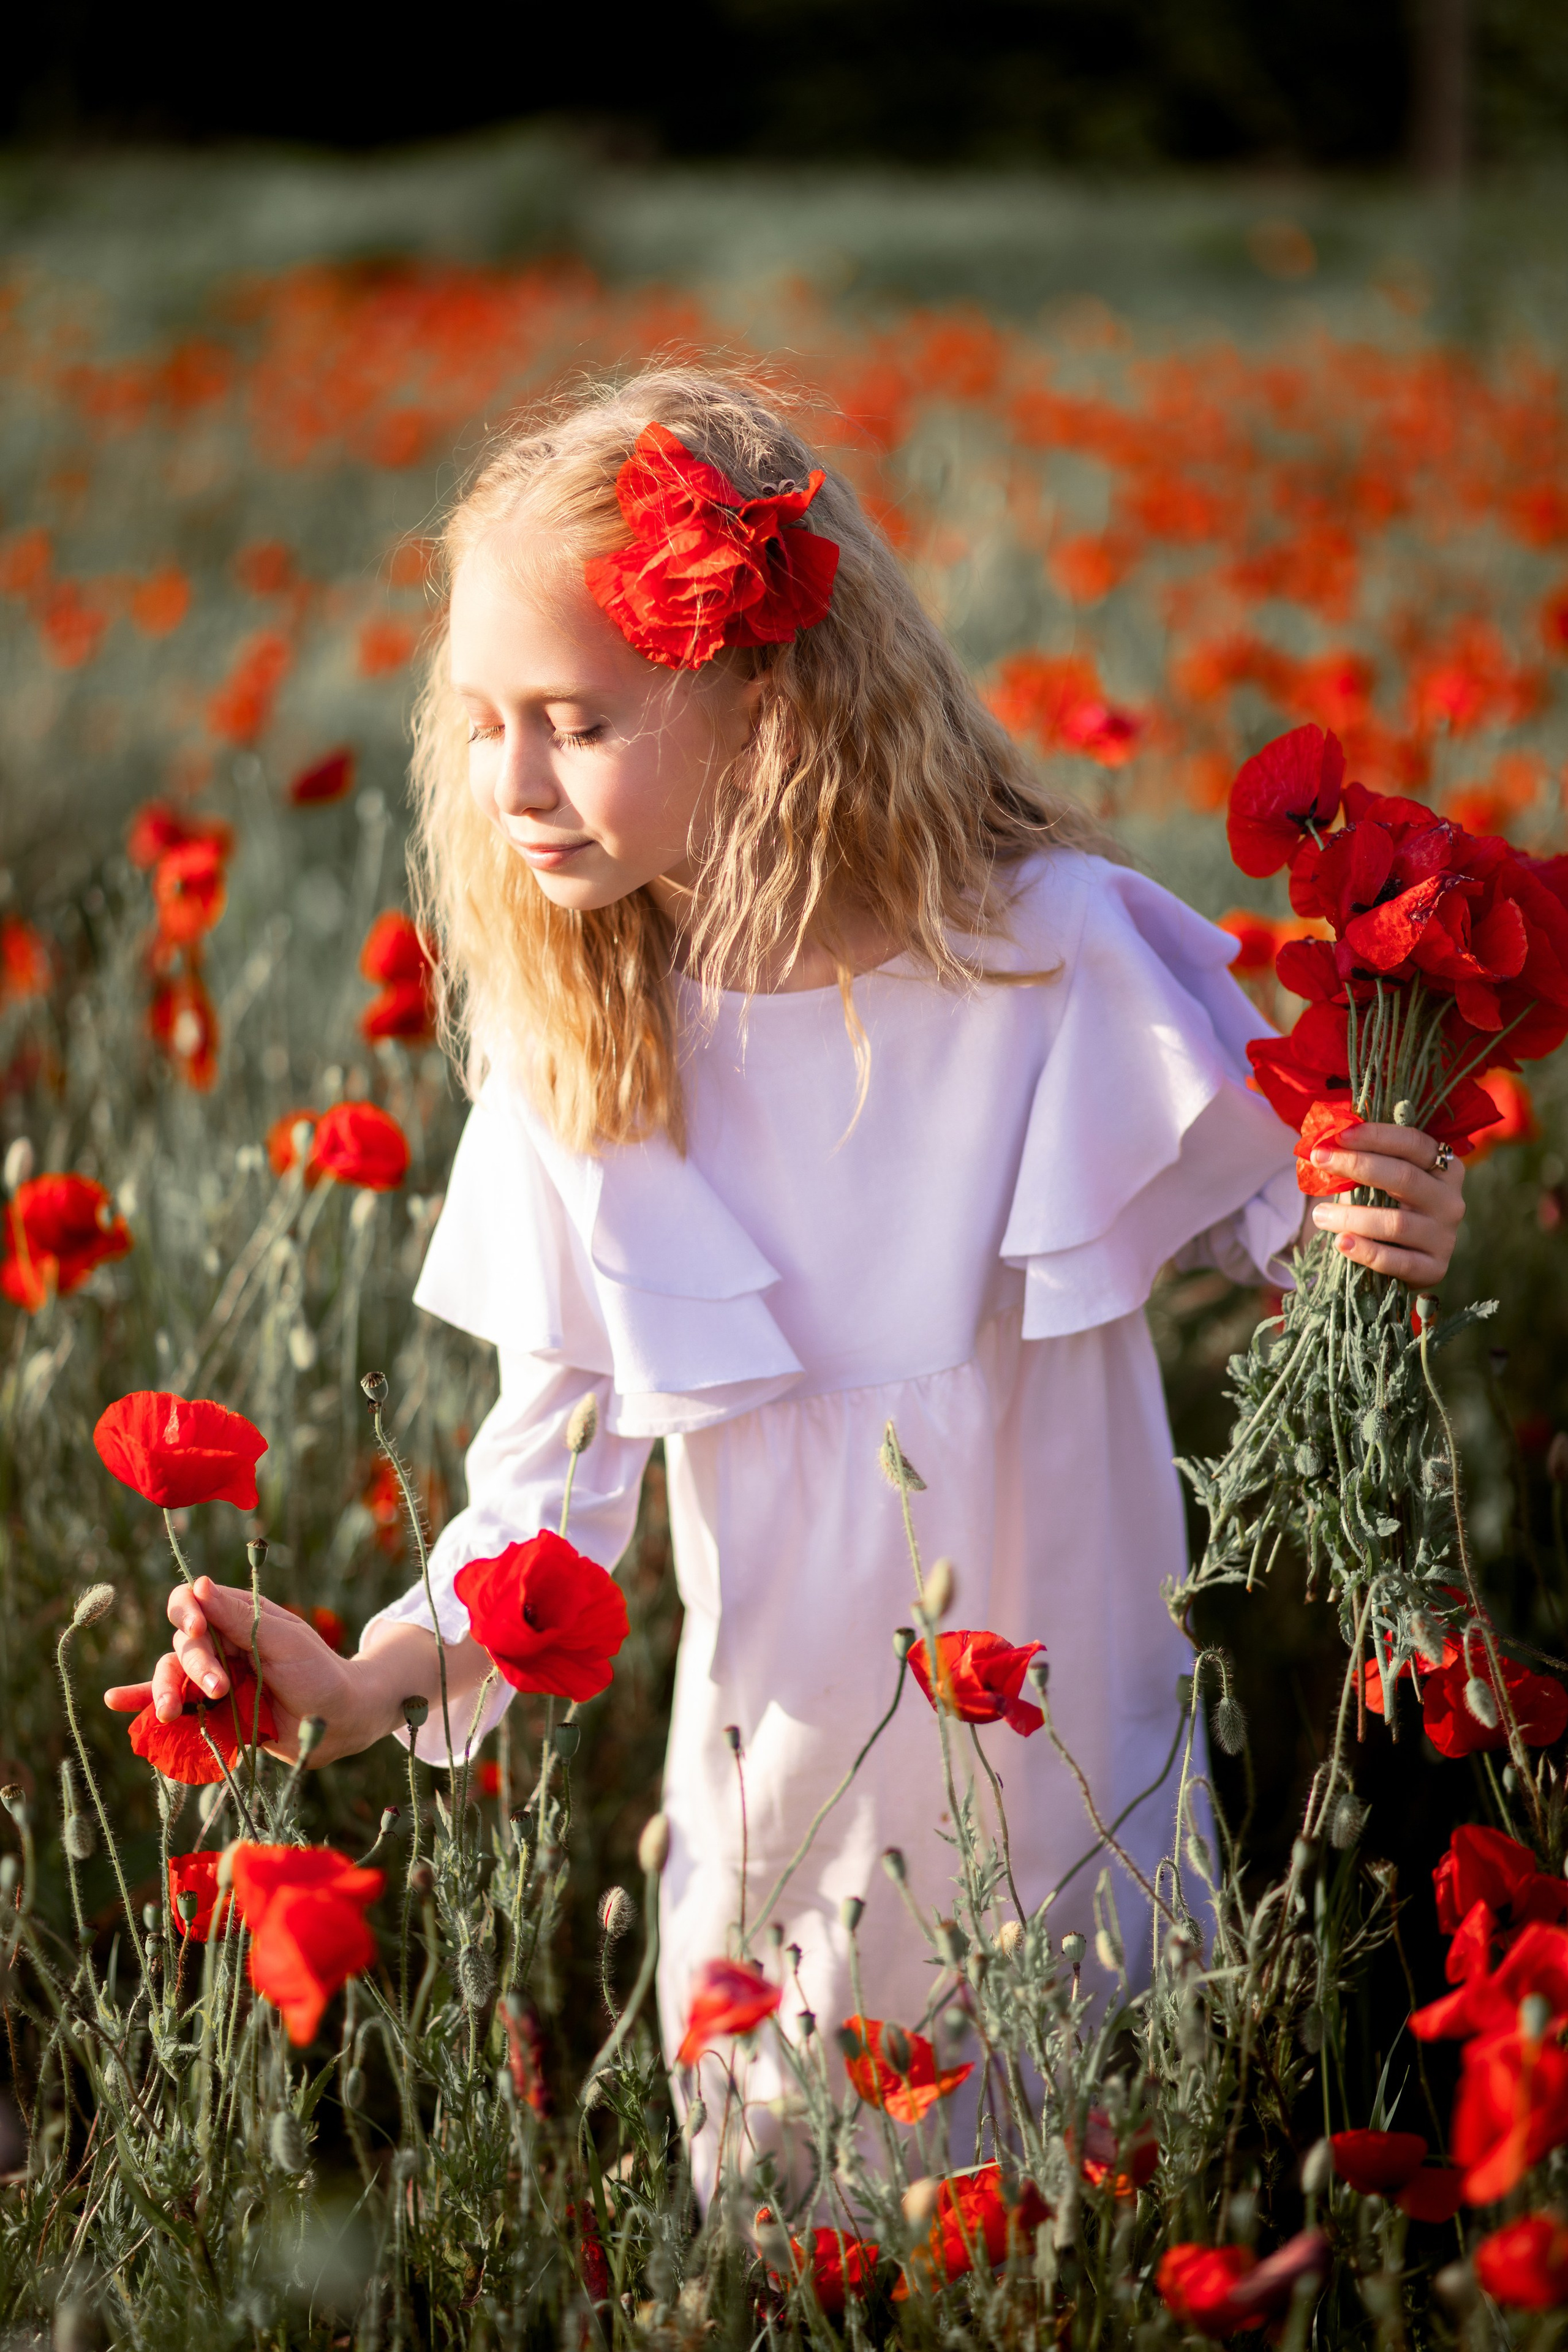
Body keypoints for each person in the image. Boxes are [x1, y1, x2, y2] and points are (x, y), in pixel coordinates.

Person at [106, 367, 1465, 2178]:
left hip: (1073, 1796)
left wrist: (1385, 1218)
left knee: (1103, 2212)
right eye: (485, 721)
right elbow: (544, 1511)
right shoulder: (584, 1059)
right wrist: (357, 1685)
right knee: (800, 2232)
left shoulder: (1045, 959)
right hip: (779, 1838)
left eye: (576, 721)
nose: (513, 784)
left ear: (766, 694)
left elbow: (1301, 1237)